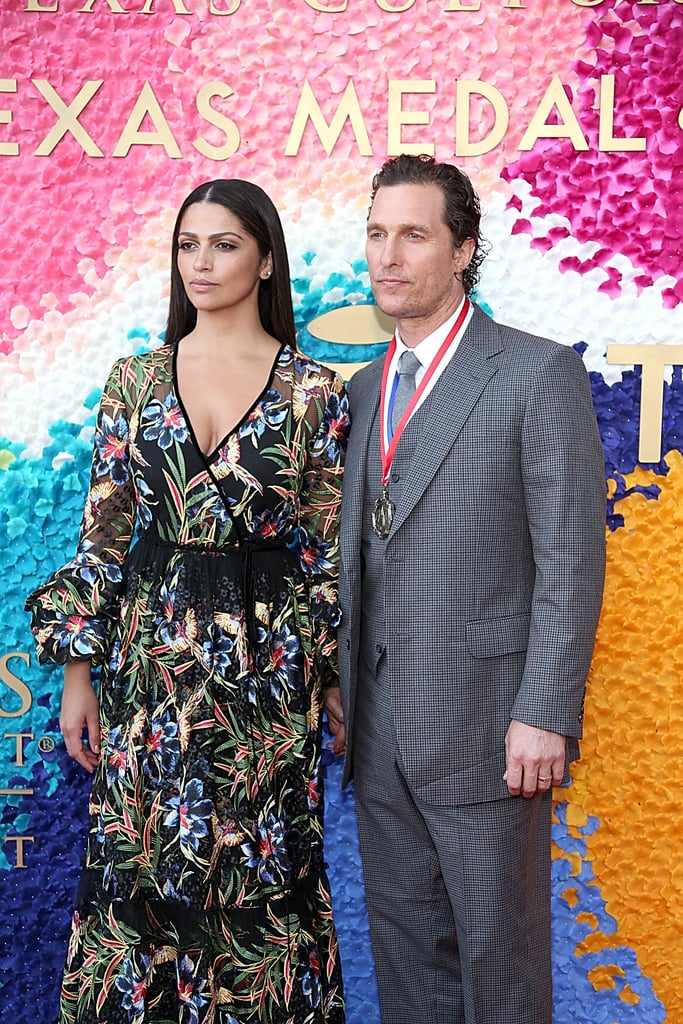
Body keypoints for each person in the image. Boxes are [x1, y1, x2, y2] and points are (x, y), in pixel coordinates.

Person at [26, 179, 348, 1024]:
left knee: (260, 871)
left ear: (266, 258)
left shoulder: (315, 392)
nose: (201, 263)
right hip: (150, 669)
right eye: (187, 245)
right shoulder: (133, 382)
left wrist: (329, 678)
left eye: (225, 244)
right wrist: (77, 674)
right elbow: (101, 538)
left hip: (266, 676)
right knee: (141, 865)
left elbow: (327, 555)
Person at [324, 154, 606, 1024]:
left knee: (499, 963)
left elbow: (569, 560)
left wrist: (546, 711)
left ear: (463, 250)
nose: (388, 256)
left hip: (492, 726)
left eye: (413, 234)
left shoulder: (533, 373)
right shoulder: (364, 389)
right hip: (376, 730)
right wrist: (338, 686)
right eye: (376, 234)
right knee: (408, 960)